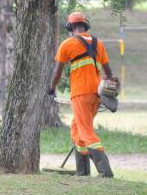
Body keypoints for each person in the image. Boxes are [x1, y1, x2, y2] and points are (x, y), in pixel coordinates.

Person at [48, 12, 116, 177]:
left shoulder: (67, 44)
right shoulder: (98, 43)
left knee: (85, 131)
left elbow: (57, 72)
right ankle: (82, 171)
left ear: (70, 27)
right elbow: (108, 72)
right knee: (76, 129)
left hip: (81, 94)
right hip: (97, 94)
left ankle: (105, 171)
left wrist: (51, 88)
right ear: (85, 26)